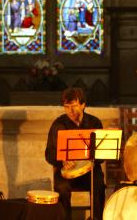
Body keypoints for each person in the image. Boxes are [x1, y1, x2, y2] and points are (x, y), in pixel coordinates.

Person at [45, 87, 105, 220]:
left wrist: (92, 159)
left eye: (74, 106)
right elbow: (49, 153)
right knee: (61, 188)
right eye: (66, 107)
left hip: (89, 171)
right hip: (66, 171)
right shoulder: (58, 124)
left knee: (98, 183)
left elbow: (102, 155)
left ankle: (96, 218)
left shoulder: (94, 123)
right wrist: (62, 160)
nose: (70, 111)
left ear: (83, 105)